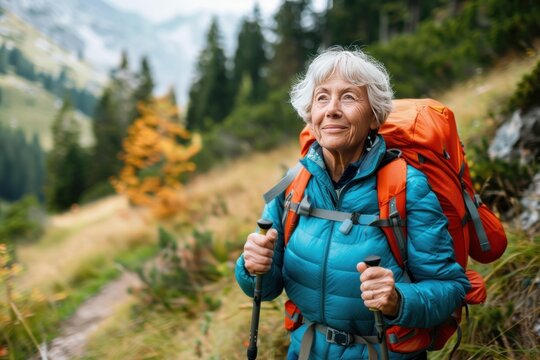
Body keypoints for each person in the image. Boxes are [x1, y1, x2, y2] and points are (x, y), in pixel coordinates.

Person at [235, 47, 470, 360]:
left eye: (348, 97)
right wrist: (251, 268)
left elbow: (450, 290)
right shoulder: (294, 185)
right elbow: (265, 288)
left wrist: (397, 300)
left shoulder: (406, 187)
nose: (332, 109)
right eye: (322, 98)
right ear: (310, 115)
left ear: (374, 117)